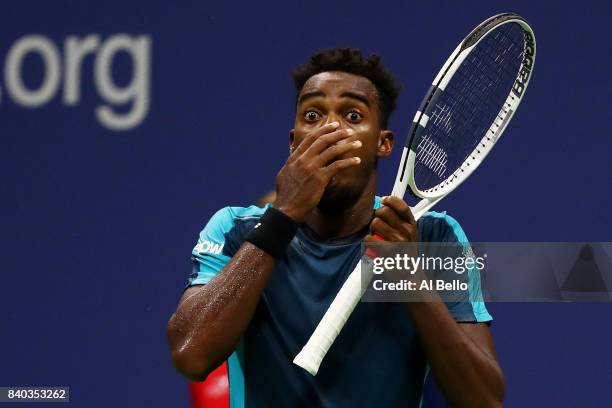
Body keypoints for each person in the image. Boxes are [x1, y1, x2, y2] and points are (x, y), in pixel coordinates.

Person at [167, 48, 504, 407]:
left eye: (352, 114)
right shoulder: (236, 228)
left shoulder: (432, 236)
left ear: (383, 143)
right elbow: (191, 355)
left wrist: (409, 278)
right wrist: (282, 217)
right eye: (312, 115)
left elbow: (483, 400)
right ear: (294, 143)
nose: (330, 128)